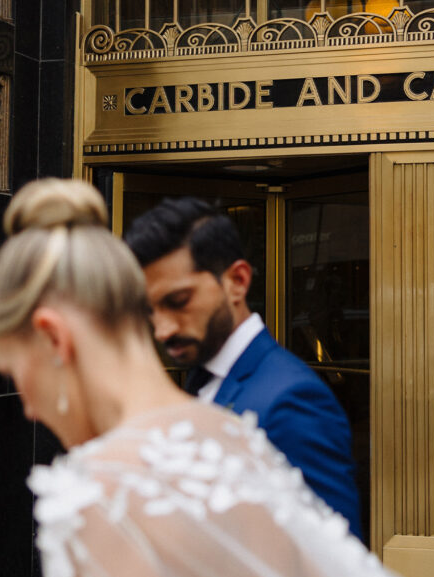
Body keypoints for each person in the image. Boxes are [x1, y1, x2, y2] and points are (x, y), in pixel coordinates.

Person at [0, 178, 434, 577]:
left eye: (15, 373)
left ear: (53, 337)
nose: (29, 408)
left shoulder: (102, 488)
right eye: (156, 309)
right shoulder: (229, 433)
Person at [124, 197, 363, 540]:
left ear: (237, 281)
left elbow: (340, 566)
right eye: (151, 310)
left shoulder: (293, 401)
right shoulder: (196, 381)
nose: (163, 330)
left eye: (178, 302)